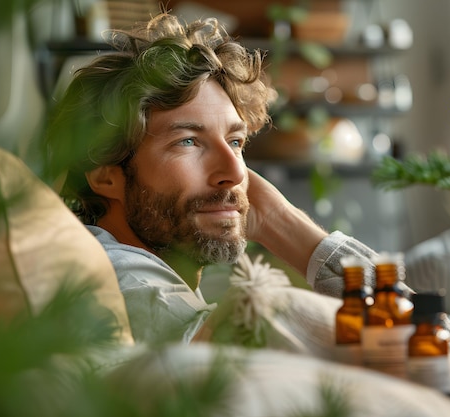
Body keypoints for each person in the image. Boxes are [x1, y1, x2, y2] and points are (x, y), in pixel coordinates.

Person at [42, 12, 383, 345]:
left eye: (235, 142)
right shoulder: (123, 283)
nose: (235, 173)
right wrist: (285, 225)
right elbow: (405, 342)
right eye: (188, 141)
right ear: (105, 175)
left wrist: (275, 218)